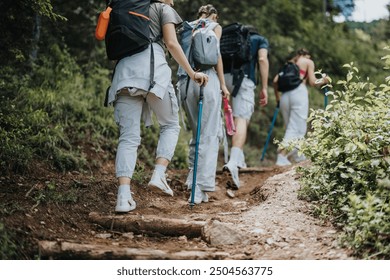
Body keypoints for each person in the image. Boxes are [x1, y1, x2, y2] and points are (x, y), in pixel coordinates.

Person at [107, 0, 209, 213]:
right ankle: (159, 175)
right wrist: (192, 73)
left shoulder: (127, 9)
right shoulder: (164, 9)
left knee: (128, 138)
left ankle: (123, 198)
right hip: (153, 73)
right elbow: (171, 44)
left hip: (124, 74)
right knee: (171, 125)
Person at [177, 4, 230, 204]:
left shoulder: (188, 27)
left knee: (197, 133)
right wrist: (223, 85)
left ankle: (193, 181)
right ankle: (201, 187)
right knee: (209, 134)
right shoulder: (215, 27)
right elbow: (216, 56)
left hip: (185, 81)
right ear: (214, 15)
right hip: (206, 80)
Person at [222, 25, 269, 189]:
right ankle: (233, 163)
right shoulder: (259, 40)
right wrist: (264, 87)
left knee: (233, 119)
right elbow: (262, 59)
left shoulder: (231, 39)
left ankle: (238, 157)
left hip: (224, 79)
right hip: (243, 79)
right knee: (242, 119)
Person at [273, 48, 329, 166]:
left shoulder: (289, 64)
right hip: (298, 93)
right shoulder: (308, 62)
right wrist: (324, 80)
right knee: (297, 128)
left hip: (284, 96)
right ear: (307, 55)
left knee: (291, 126)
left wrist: (277, 98)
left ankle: (299, 156)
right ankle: (282, 156)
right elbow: (313, 82)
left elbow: (275, 81)